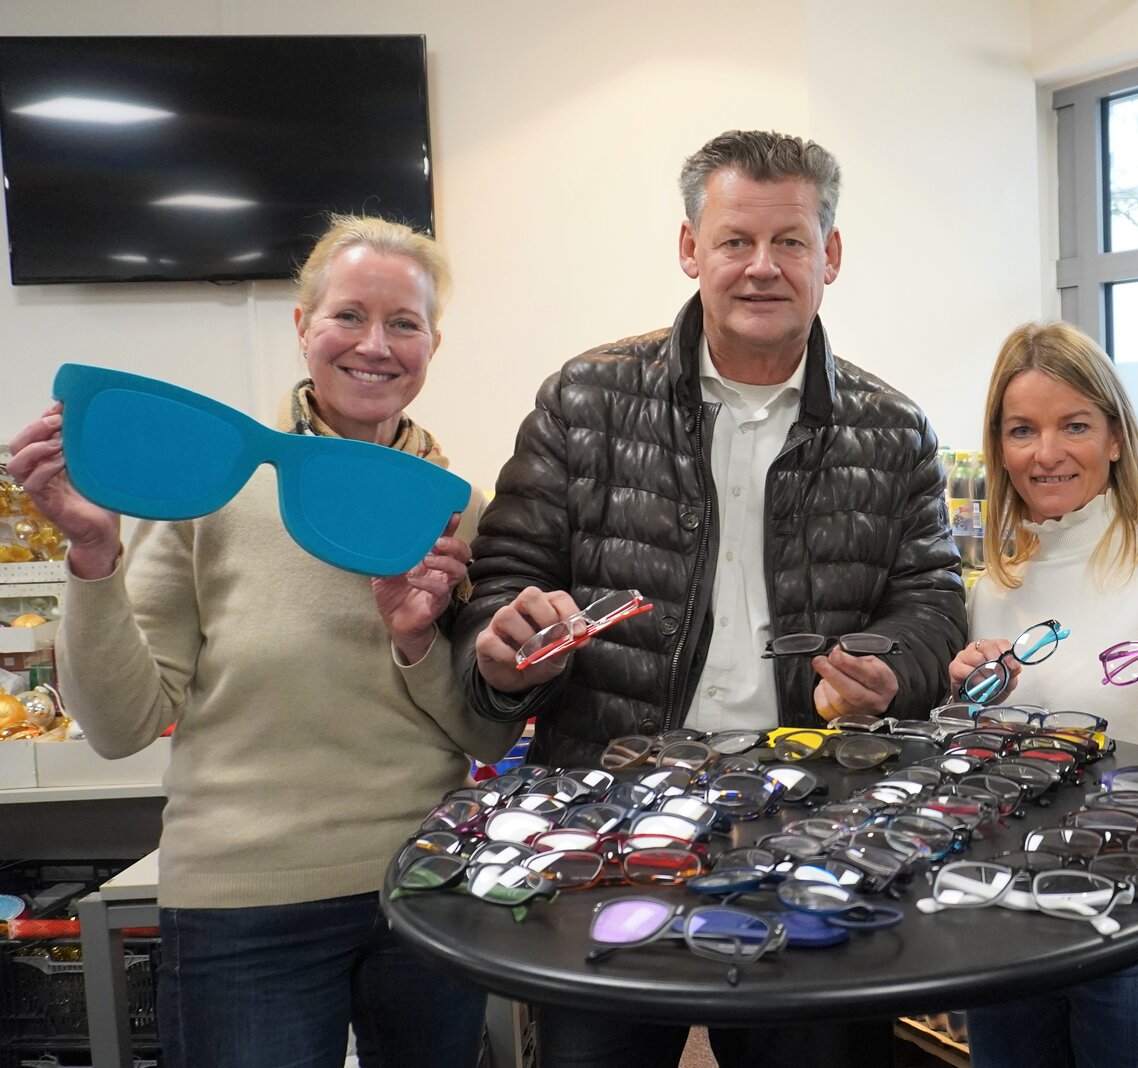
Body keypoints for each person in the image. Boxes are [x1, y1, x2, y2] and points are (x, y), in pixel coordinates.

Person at [451, 130, 966, 1068]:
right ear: (691, 249)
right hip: (607, 821)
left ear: (830, 255)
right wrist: (507, 644)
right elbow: (505, 577)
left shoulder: (895, 429)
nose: (762, 266)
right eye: (735, 240)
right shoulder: (585, 399)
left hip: (816, 822)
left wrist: (892, 666)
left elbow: (931, 597)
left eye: (790, 241)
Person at [6, 215, 513, 1068]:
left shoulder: (455, 508)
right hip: (243, 902)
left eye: (404, 323)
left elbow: (486, 733)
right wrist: (92, 555)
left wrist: (416, 641)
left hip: (426, 885)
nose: (375, 345)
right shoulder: (213, 489)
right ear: (303, 325)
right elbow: (122, 726)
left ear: (433, 344)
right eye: (348, 315)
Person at [947, 320, 1138, 1068]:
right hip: (1008, 908)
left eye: (1074, 425)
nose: (1046, 453)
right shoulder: (994, 588)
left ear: (1116, 438)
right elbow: (981, 773)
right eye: (1023, 430)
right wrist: (966, 710)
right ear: (1000, 449)